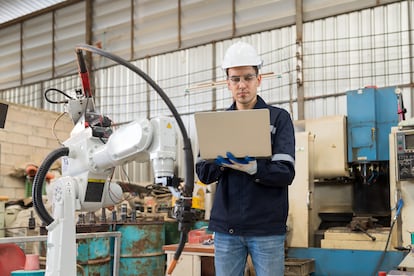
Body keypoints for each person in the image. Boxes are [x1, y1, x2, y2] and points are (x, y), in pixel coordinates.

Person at [195, 41, 296, 276]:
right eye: (236, 79)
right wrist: (220, 164)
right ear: (228, 83)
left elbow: (286, 172)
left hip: (267, 228)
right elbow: (203, 174)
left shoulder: (278, 119)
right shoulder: (218, 124)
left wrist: (254, 168)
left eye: (248, 78)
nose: (242, 85)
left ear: (258, 80)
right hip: (226, 228)